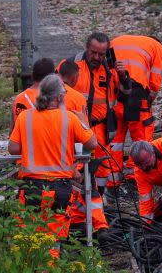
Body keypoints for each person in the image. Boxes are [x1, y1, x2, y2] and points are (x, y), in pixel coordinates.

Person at [9, 75, 97, 257]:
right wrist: (84, 121)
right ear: (58, 97)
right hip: (60, 189)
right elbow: (92, 144)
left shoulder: (25, 117)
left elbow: (13, 148)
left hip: (31, 187)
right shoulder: (69, 119)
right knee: (53, 241)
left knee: (27, 236)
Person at [59, 33, 121, 189]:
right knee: (75, 167)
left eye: (101, 54)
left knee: (101, 170)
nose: (97, 57)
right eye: (93, 52)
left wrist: (123, 76)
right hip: (75, 127)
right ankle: (75, 203)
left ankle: (97, 201)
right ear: (87, 48)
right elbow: (51, 89)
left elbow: (124, 94)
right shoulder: (71, 64)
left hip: (100, 128)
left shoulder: (110, 68)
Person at [58, 60, 111, 234]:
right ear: (74, 77)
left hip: (54, 158)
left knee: (68, 195)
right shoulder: (77, 97)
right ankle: (99, 226)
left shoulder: (42, 97)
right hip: (75, 157)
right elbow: (85, 134)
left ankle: (73, 225)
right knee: (90, 191)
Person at [110, 34, 162, 179]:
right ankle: (133, 173)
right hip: (135, 91)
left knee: (115, 138)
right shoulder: (157, 47)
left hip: (113, 91)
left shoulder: (121, 40)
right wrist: (147, 104)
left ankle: (112, 175)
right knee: (141, 134)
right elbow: (154, 83)